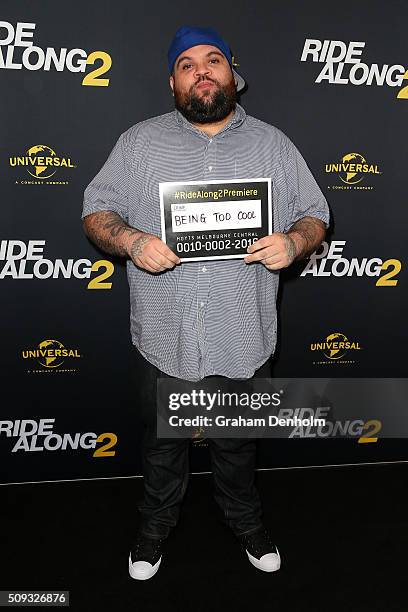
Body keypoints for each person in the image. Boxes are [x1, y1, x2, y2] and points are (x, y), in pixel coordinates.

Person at [81, 26, 330, 581]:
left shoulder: (273, 143)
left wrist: (294, 242)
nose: (201, 71)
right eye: (187, 64)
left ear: (231, 73)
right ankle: (153, 528)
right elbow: (96, 210)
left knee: (238, 445)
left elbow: (316, 212)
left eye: (212, 60)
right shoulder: (138, 143)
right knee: (163, 446)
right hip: (165, 337)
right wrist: (130, 241)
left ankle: (246, 522)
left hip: (242, 334)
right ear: (172, 82)